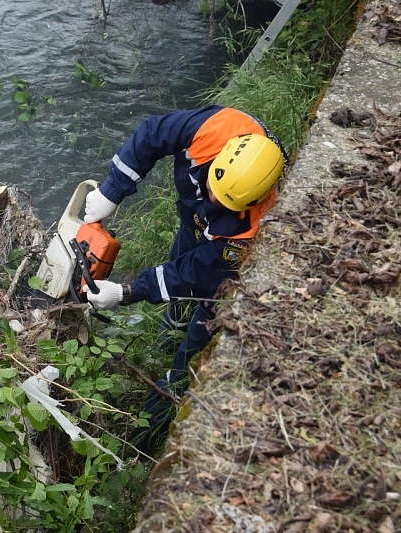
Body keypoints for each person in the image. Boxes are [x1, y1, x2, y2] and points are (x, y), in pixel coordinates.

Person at [81, 105, 287, 454]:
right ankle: (165, 335)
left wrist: (127, 292)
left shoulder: (248, 230)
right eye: (211, 186)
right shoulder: (216, 128)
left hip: (219, 264)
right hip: (192, 222)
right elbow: (151, 134)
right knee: (179, 258)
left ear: (248, 202)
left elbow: (197, 274)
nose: (210, 197)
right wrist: (110, 192)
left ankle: (145, 435)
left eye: (220, 201)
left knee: (196, 339)